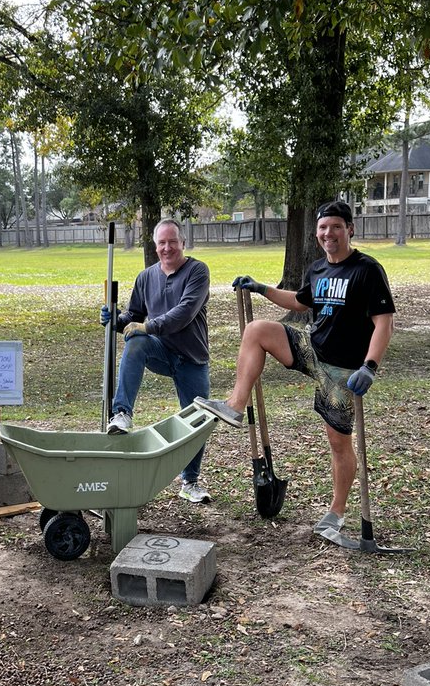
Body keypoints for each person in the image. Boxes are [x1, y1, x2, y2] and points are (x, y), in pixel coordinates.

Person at [195, 200, 394, 533]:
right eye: (323, 228)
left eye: (336, 227)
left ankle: (337, 511)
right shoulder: (318, 269)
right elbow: (301, 301)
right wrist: (261, 288)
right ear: (317, 233)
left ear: (350, 229)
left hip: (343, 370)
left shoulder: (367, 270)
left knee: (338, 442)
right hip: (312, 349)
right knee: (257, 330)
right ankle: (234, 405)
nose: (328, 233)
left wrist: (370, 366)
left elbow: (384, 323)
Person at [101, 218, 211, 503]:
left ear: (183, 243)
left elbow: (184, 313)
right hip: (160, 352)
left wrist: (147, 327)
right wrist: (115, 320)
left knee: (197, 420)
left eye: (172, 242)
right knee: (136, 342)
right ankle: (122, 415)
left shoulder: (197, 271)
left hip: (192, 358)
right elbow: (133, 316)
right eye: (161, 242)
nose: (167, 248)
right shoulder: (146, 276)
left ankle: (190, 482)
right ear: (155, 245)